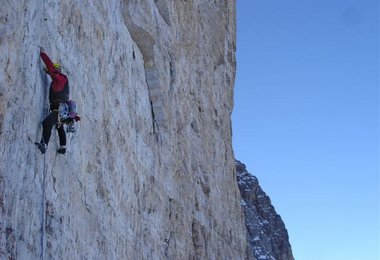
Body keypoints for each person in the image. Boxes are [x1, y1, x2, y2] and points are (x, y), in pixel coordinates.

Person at [36, 48, 70, 154]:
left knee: (47, 122)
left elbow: (50, 67)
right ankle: (63, 147)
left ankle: (44, 144)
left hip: (58, 109)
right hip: (63, 110)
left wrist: (43, 54)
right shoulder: (63, 81)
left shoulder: (59, 78)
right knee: (59, 126)